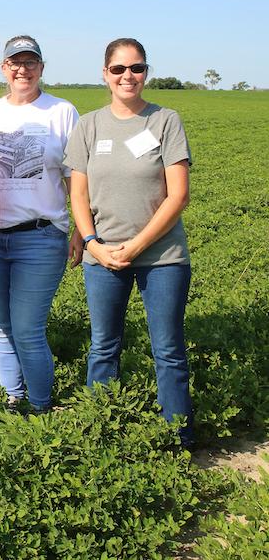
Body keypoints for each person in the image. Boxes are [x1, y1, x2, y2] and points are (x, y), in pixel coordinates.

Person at [65, 38, 194, 444]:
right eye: (118, 69)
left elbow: (179, 195)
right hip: (102, 255)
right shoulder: (89, 125)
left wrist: (137, 246)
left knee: (168, 349)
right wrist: (91, 243)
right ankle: (99, 433)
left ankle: (179, 438)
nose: (128, 76)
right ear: (105, 73)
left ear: (146, 73)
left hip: (163, 257)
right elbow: (78, 195)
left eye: (136, 68)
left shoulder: (165, 121)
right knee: (104, 346)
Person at [0, 35, 82, 415]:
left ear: (41, 67)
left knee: (27, 328)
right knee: (1, 326)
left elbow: (76, 177)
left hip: (41, 237)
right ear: (4, 67)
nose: (22, 69)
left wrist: (79, 230)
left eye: (30, 62)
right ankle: (13, 398)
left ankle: (40, 407)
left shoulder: (61, 111)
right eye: (15, 62)